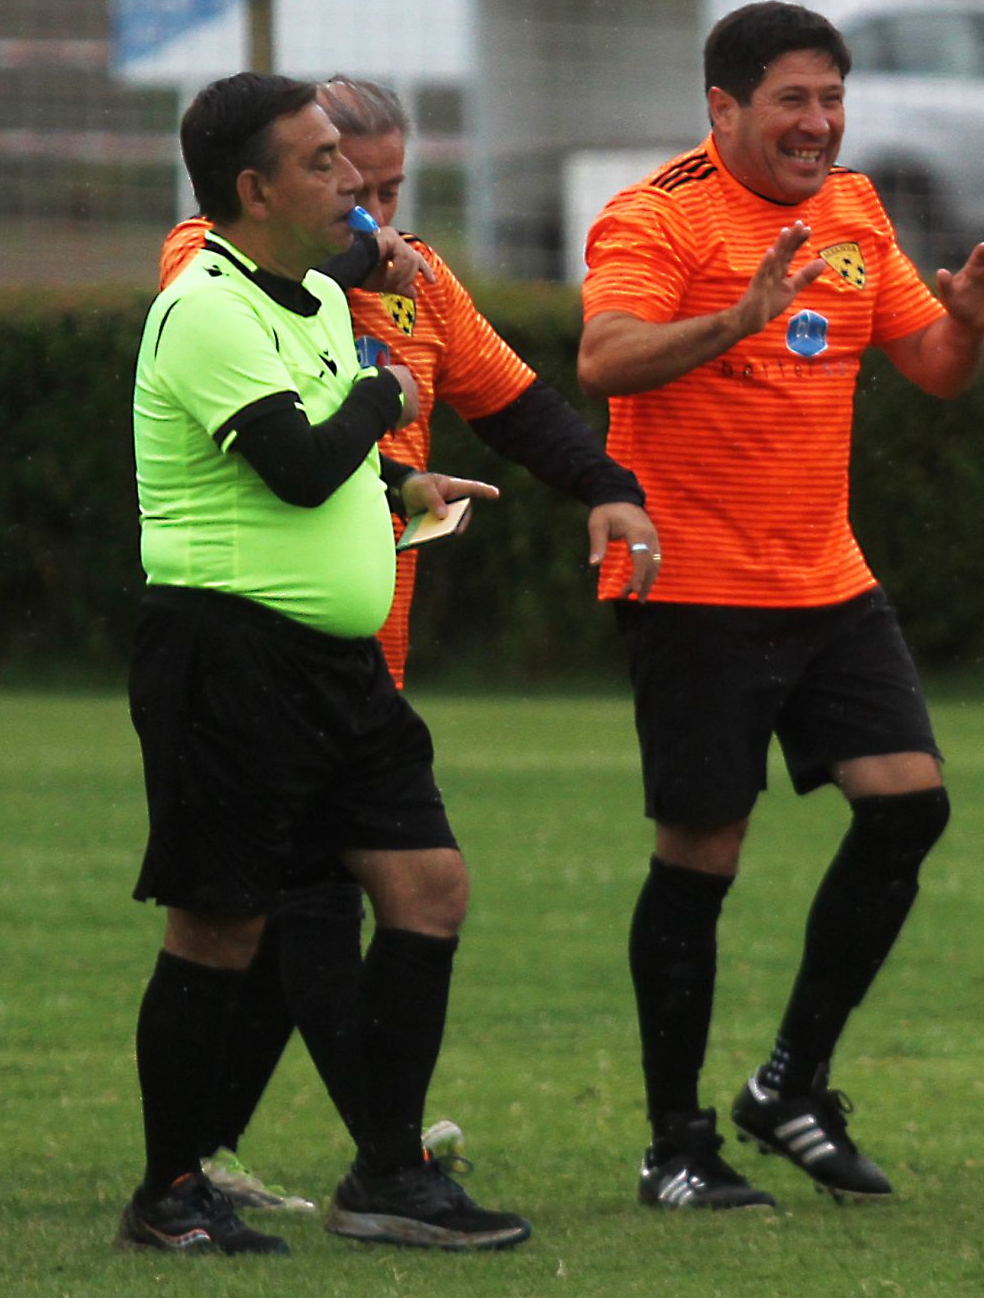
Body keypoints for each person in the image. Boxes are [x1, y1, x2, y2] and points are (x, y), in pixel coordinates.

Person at [155, 78, 656, 1214]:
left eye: (388, 189)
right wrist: (362, 302)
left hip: (363, 657)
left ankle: (225, 1152)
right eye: (349, 182)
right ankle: (378, 1154)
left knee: (315, 909)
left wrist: (608, 486)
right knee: (290, 911)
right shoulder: (216, 263)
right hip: (257, 649)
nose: (372, 211)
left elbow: (516, 403)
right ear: (280, 178)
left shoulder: (409, 278)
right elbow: (290, 444)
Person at [577, 0, 984, 1210]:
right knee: (703, 850)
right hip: (693, 583)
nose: (818, 124)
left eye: (832, 99)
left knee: (909, 806)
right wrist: (737, 320)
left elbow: (932, 368)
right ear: (723, 107)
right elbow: (603, 357)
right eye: (793, 100)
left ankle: (787, 1085)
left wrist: (968, 323)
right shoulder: (656, 213)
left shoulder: (855, 209)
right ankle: (674, 1144)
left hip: (825, 579)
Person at [121, 71, 528, 1254]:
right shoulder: (205, 306)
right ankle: (168, 1195)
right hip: (228, 660)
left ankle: (389, 1175)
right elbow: (295, 466)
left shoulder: (303, 300)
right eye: (320, 161)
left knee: (428, 886)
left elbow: (324, 454)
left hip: (336, 669)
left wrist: (401, 482)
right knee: (219, 929)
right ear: (254, 191)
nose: (350, 179)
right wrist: (384, 393)